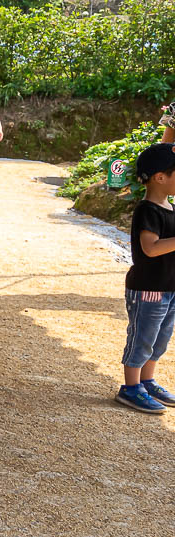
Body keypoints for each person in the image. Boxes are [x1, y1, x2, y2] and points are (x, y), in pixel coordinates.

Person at [116, 143, 175, 414]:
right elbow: (150, 248)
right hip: (148, 288)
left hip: (169, 287)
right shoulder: (147, 210)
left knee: (160, 338)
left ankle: (147, 381)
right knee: (143, 336)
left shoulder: (170, 206)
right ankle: (130, 387)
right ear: (160, 177)